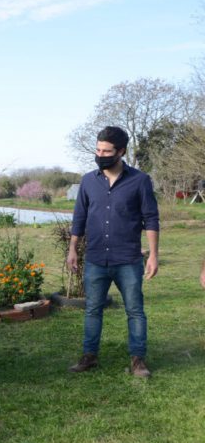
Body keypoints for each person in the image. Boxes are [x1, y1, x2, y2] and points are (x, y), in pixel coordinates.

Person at [67, 126, 159, 378]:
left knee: (135, 311)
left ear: (121, 151)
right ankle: (89, 356)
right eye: (98, 149)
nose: (101, 154)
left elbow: (151, 218)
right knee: (92, 310)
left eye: (107, 150)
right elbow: (79, 217)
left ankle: (138, 359)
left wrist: (153, 254)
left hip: (128, 259)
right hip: (96, 258)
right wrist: (73, 248)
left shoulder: (140, 180)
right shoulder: (88, 181)